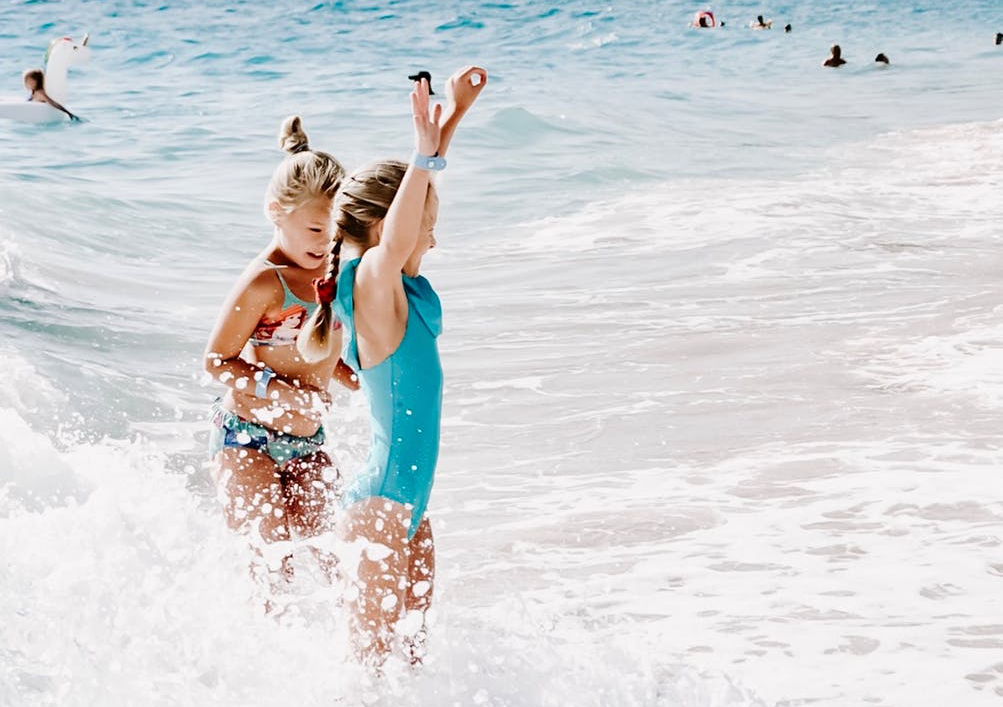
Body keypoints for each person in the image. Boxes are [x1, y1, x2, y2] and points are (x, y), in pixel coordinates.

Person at [298, 66, 487, 666]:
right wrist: (423, 153)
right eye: (426, 231)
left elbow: (410, 210)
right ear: (387, 231)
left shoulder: (392, 290)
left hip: (406, 513)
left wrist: (452, 118)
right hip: (379, 513)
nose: (431, 242)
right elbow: (401, 231)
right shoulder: (374, 287)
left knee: (408, 668)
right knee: (369, 675)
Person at [203, 115, 357, 598]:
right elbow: (216, 360)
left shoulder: (332, 275)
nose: (325, 244)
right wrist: (283, 391)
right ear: (275, 211)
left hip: (308, 441)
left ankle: (357, 668)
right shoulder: (265, 282)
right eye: (315, 228)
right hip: (245, 439)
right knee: (274, 569)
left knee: (340, 560)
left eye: (336, 234)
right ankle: (256, 664)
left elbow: (318, 349)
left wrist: (362, 379)